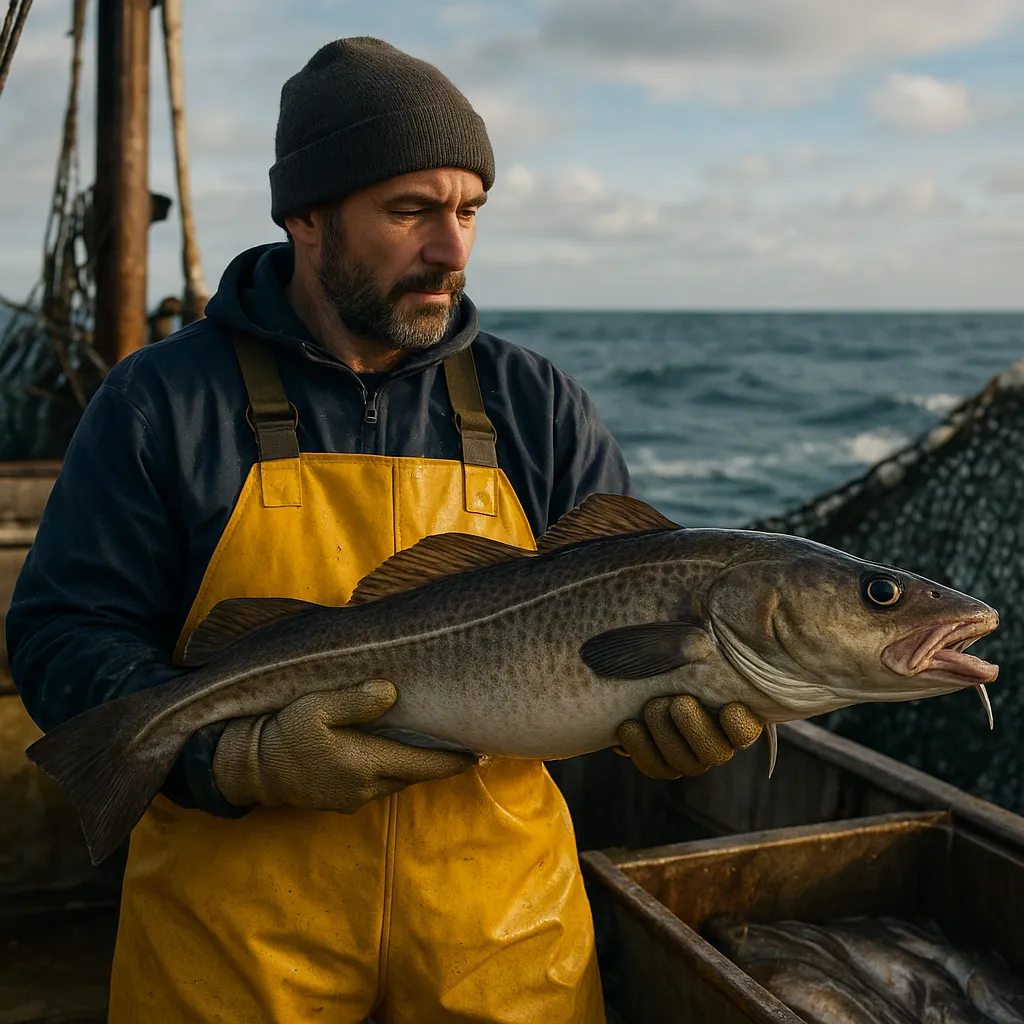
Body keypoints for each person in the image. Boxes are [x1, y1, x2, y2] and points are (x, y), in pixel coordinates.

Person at [8, 37, 763, 1023]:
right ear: (306, 216)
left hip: (499, 939)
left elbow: (609, 627)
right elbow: (65, 631)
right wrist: (232, 759)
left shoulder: (535, 406)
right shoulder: (161, 399)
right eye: (410, 211)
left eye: (467, 211)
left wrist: (669, 724)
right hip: (237, 945)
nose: (450, 248)